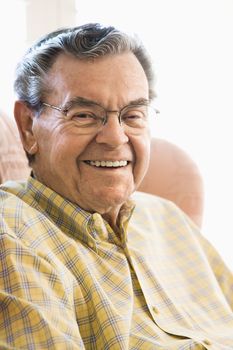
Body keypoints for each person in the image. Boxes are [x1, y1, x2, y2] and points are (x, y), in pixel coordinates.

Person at [0, 23, 232, 350]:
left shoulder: (167, 217)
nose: (115, 137)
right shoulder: (12, 238)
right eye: (84, 115)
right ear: (28, 127)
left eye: (133, 115)